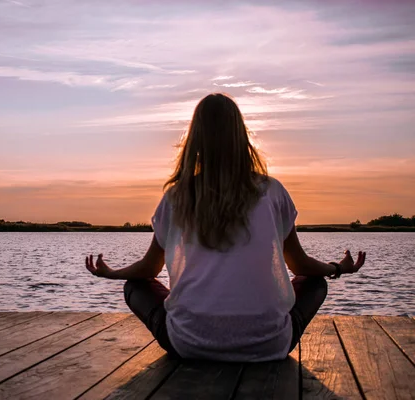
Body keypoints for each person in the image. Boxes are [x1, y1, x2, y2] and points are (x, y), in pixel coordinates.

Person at [84, 93, 366, 361]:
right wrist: (338, 268)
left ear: (194, 140)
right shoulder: (272, 191)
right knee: (315, 281)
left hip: (188, 344)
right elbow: (301, 265)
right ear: (241, 137)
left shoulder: (178, 196)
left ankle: (196, 321)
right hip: (269, 345)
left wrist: (112, 273)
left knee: (136, 286)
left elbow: (148, 270)